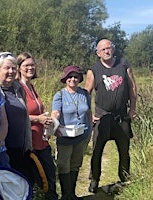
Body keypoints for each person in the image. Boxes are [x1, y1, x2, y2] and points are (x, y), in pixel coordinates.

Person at [85, 39, 137, 193]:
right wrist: (89, 114)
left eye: (109, 48)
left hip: (121, 116)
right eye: (103, 49)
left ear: (113, 49)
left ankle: (125, 178)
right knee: (97, 151)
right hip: (102, 117)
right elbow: (86, 93)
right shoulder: (94, 70)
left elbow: (132, 88)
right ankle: (94, 180)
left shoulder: (124, 65)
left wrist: (132, 109)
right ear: (98, 53)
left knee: (124, 150)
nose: (107, 51)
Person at [17, 52, 58, 200]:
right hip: (29, 142)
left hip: (42, 139)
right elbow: (17, 115)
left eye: (32, 65)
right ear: (19, 68)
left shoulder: (32, 87)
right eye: (26, 65)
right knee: (35, 178)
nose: (30, 68)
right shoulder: (18, 88)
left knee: (50, 173)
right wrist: (38, 119)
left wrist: (46, 122)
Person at [51, 65, 92, 200]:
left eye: (76, 77)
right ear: (66, 79)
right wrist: (54, 126)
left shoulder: (85, 94)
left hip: (82, 135)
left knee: (75, 164)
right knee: (63, 165)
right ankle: (65, 195)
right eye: (70, 77)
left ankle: (72, 194)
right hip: (65, 135)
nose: (73, 79)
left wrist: (90, 128)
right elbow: (55, 113)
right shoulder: (60, 95)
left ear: (80, 78)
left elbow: (88, 112)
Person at [0, 52, 35, 185]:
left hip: (20, 148)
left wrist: (28, 144)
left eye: (13, 68)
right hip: (1, 150)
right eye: (7, 68)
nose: (11, 71)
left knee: (21, 185)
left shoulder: (18, 89)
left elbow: (25, 118)